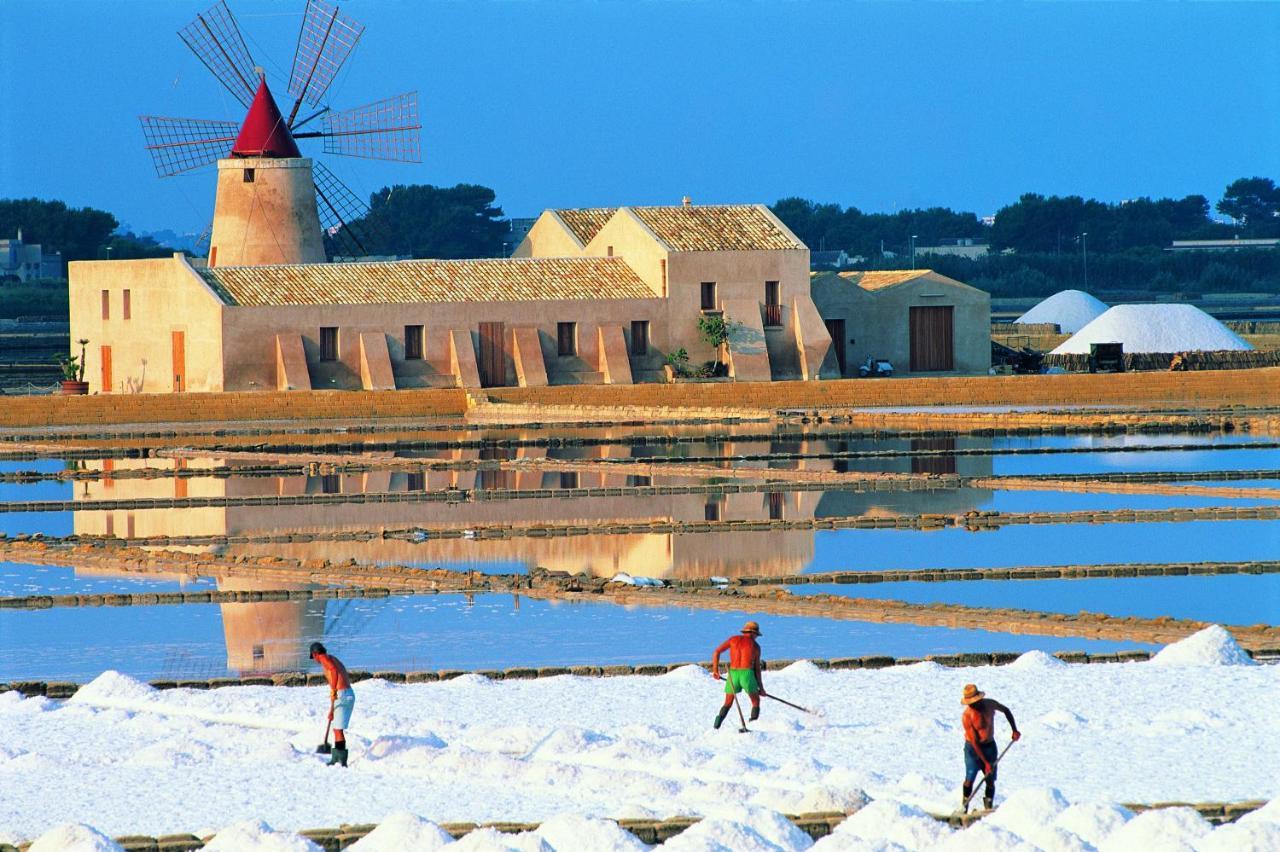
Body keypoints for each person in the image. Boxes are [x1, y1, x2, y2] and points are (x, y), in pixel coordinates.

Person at [960, 683, 1020, 811]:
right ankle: (964, 808)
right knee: (970, 778)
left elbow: (1006, 710)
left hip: (990, 747)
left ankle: (988, 807)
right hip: (973, 749)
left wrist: (1014, 730)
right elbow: (975, 742)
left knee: (990, 779)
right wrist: (985, 763)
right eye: (970, 703)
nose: (972, 705)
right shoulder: (967, 716)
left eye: (974, 702)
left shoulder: (990, 704)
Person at [711, 621, 765, 729]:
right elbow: (757, 670)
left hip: (733, 674)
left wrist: (715, 670)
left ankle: (716, 726)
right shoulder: (755, 646)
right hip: (747, 674)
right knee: (755, 701)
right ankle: (753, 725)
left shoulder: (733, 639)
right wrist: (761, 688)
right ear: (754, 633)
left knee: (727, 703)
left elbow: (716, 652)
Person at [310, 642, 354, 767]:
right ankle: (336, 758)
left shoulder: (324, 658)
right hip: (346, 693)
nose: (314, 660)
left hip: (342, 694)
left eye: (313, 657)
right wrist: (331, 710)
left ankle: (341, 761)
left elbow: (334, 671)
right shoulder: (332, 658)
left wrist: (334, 689)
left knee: (337, 730)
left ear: (315, 654)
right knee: (336, 728)